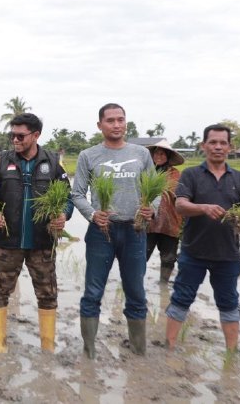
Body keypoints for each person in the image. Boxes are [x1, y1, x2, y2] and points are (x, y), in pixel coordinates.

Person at [0, 113, 73, 353]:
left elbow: (67, 200)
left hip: (42, 243)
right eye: (12, 135)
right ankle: (0, 345)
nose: (15, 140)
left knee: (47, 294)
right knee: (0, 292)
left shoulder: (53, 163)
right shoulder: (2, 162)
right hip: (8, 243)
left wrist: (63, 215)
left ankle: (47, 347)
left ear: (36, 135)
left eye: (20, 136)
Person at [71, 103, 157, 358]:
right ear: (100, 125)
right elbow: (77, 193)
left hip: (135, 231)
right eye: (110, 120)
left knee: (136, 292)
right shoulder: (88, 155)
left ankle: (139, 351)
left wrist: (151, 209)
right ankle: (89, 352)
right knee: (93, 292)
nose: (116, 124)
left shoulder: (141, 154)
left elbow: (155, 191)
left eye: (121, 119)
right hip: (101, 232)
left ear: (126, 122)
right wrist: (92, 214)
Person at [165, 124, 240, 352]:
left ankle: (231, 352)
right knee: (181, 298)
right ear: (204, 146)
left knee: (229, 302)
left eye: (223, 143)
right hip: (194, 252)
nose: (218, 147)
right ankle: (169, 346)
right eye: (213, 142)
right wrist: (203, 207)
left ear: (230, 147)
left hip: (228, 254)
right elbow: (180, 205)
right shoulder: (191, 175)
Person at [145, 140, 184, 282]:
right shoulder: (146, 173)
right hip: (147, 222)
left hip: (170, 222)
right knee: (142, 254)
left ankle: (163, 284)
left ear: (168, 156)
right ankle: (133, 284)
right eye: (156, 153)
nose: (159, 156)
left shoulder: (175, 174)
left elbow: (179, 196)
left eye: (162, 153)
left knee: (169, 258)